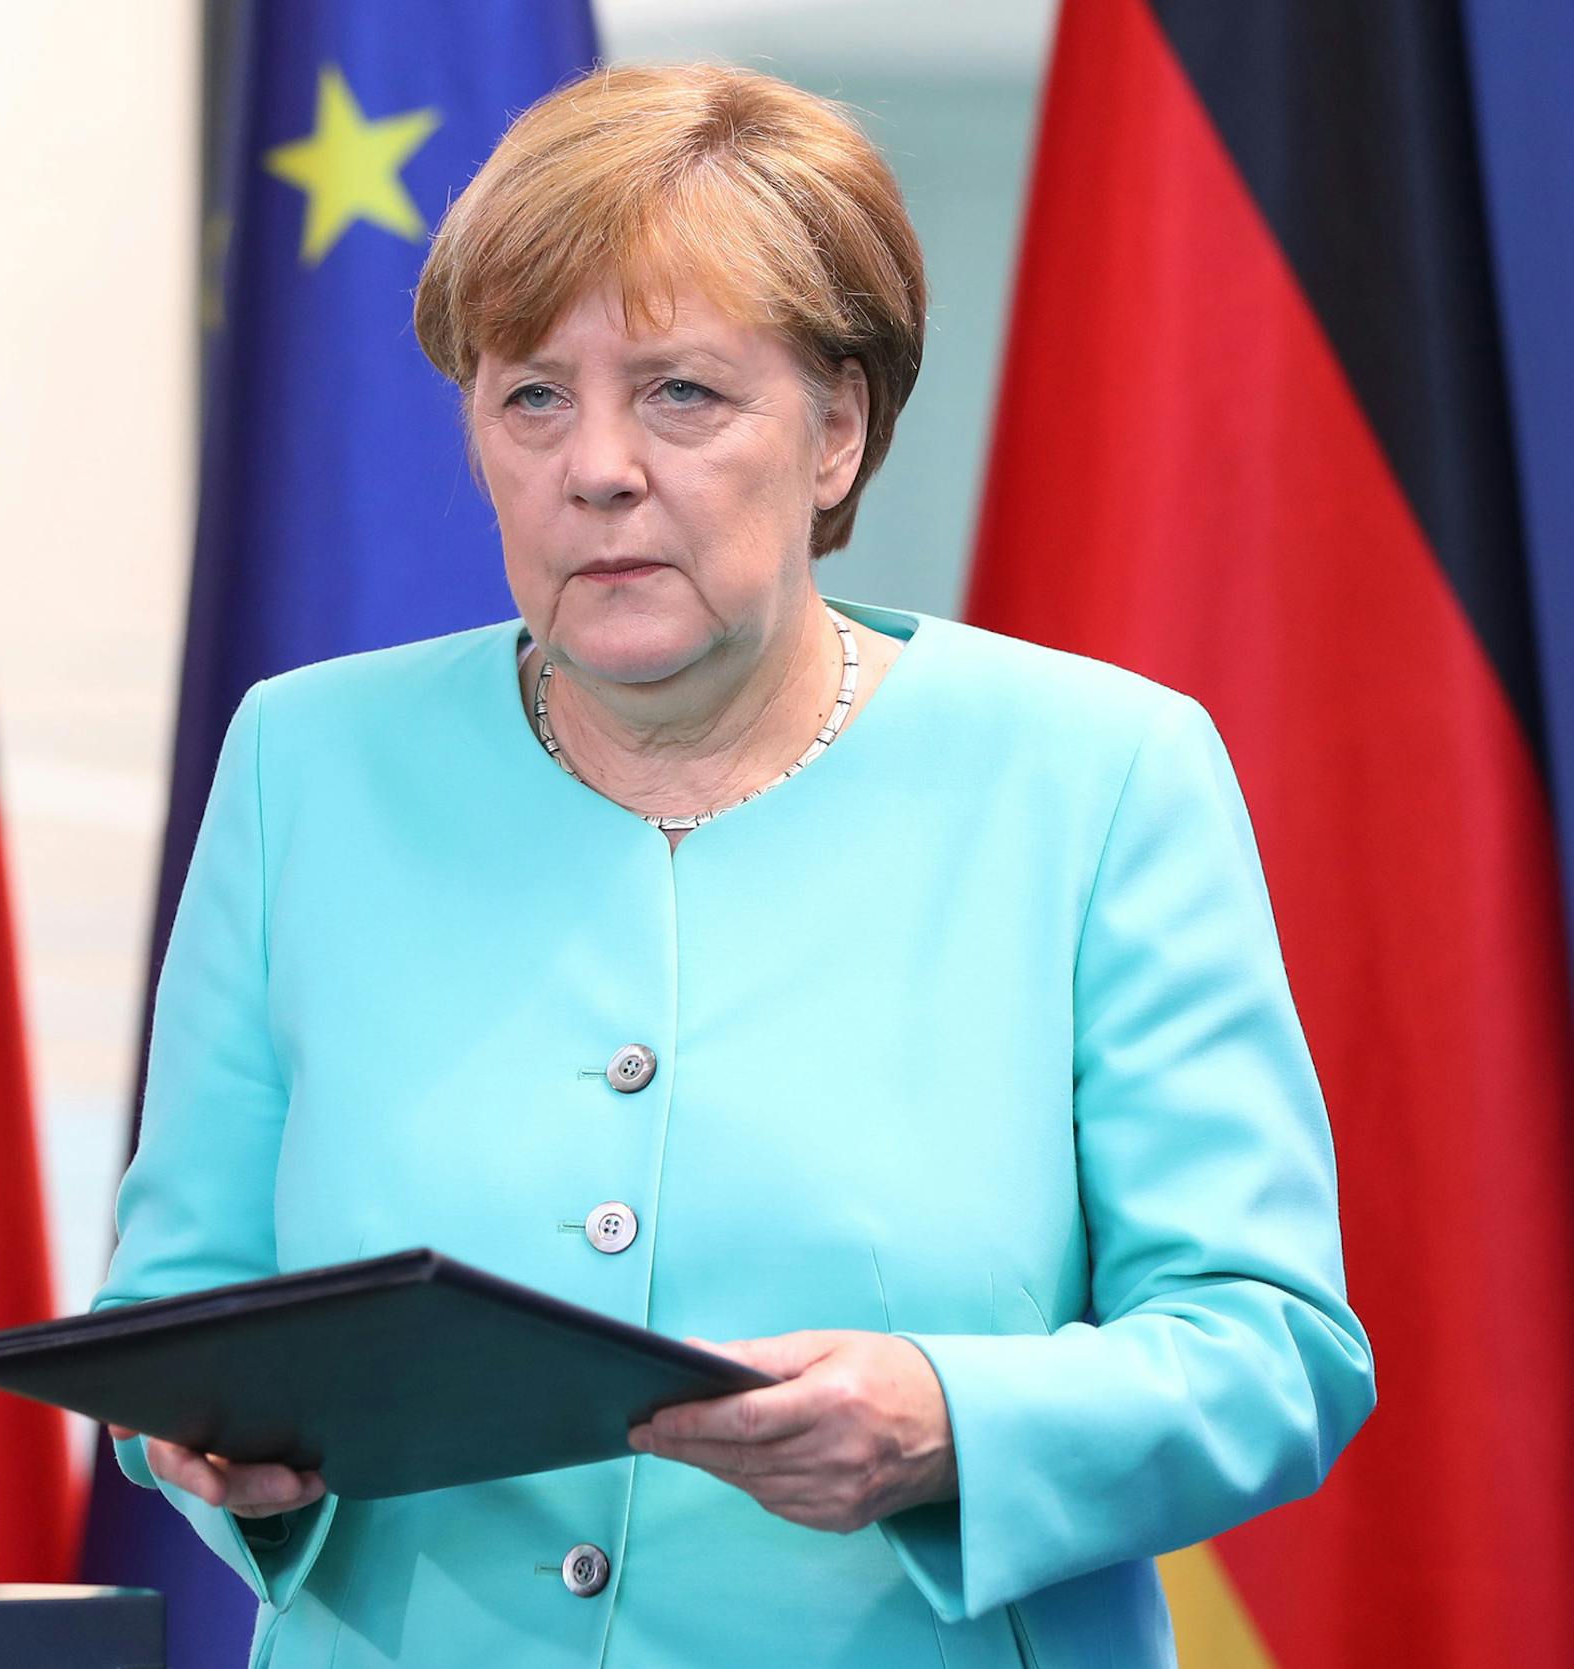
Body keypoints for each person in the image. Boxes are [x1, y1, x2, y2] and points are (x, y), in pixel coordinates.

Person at [94, 63, 1374, 1669]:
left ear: (838, 429)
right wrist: (217, 1452)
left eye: (683, 394)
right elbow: (183, 1307)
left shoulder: (1099, 774)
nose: (599, 467)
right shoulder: (306, 763)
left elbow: (1273, 1350)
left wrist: (951, 1422)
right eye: (531, 395)